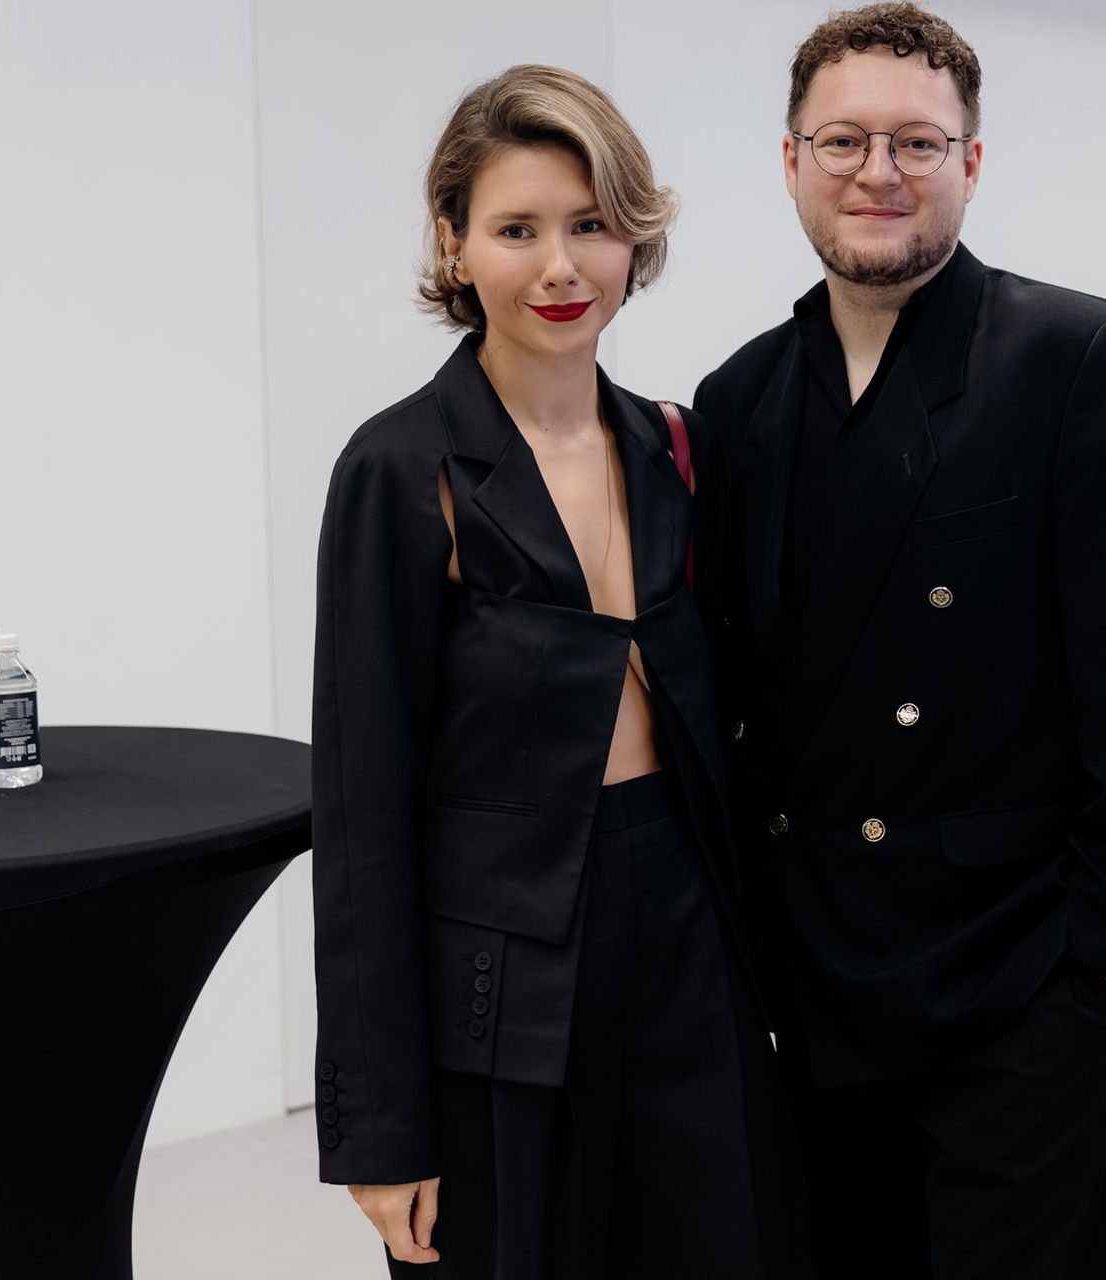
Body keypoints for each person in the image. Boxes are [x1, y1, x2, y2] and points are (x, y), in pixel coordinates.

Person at [694, 5, 1106, 1276]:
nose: (877, 171)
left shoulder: (1081, 357)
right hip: (816, 997)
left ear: (971, 162)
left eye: (917, 143)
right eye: (842, 141)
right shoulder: (738, 397)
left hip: (1019, 988)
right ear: (790, 161)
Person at [309, 64, 807, 1280]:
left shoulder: (676, 446)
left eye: (590, 225)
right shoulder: (400, 468)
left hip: (687, 930)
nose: (561, 267)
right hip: (503, 977)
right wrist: (382, 1127)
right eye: (517, 229)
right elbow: (362, 814)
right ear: (453, 242)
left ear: (634, 235)